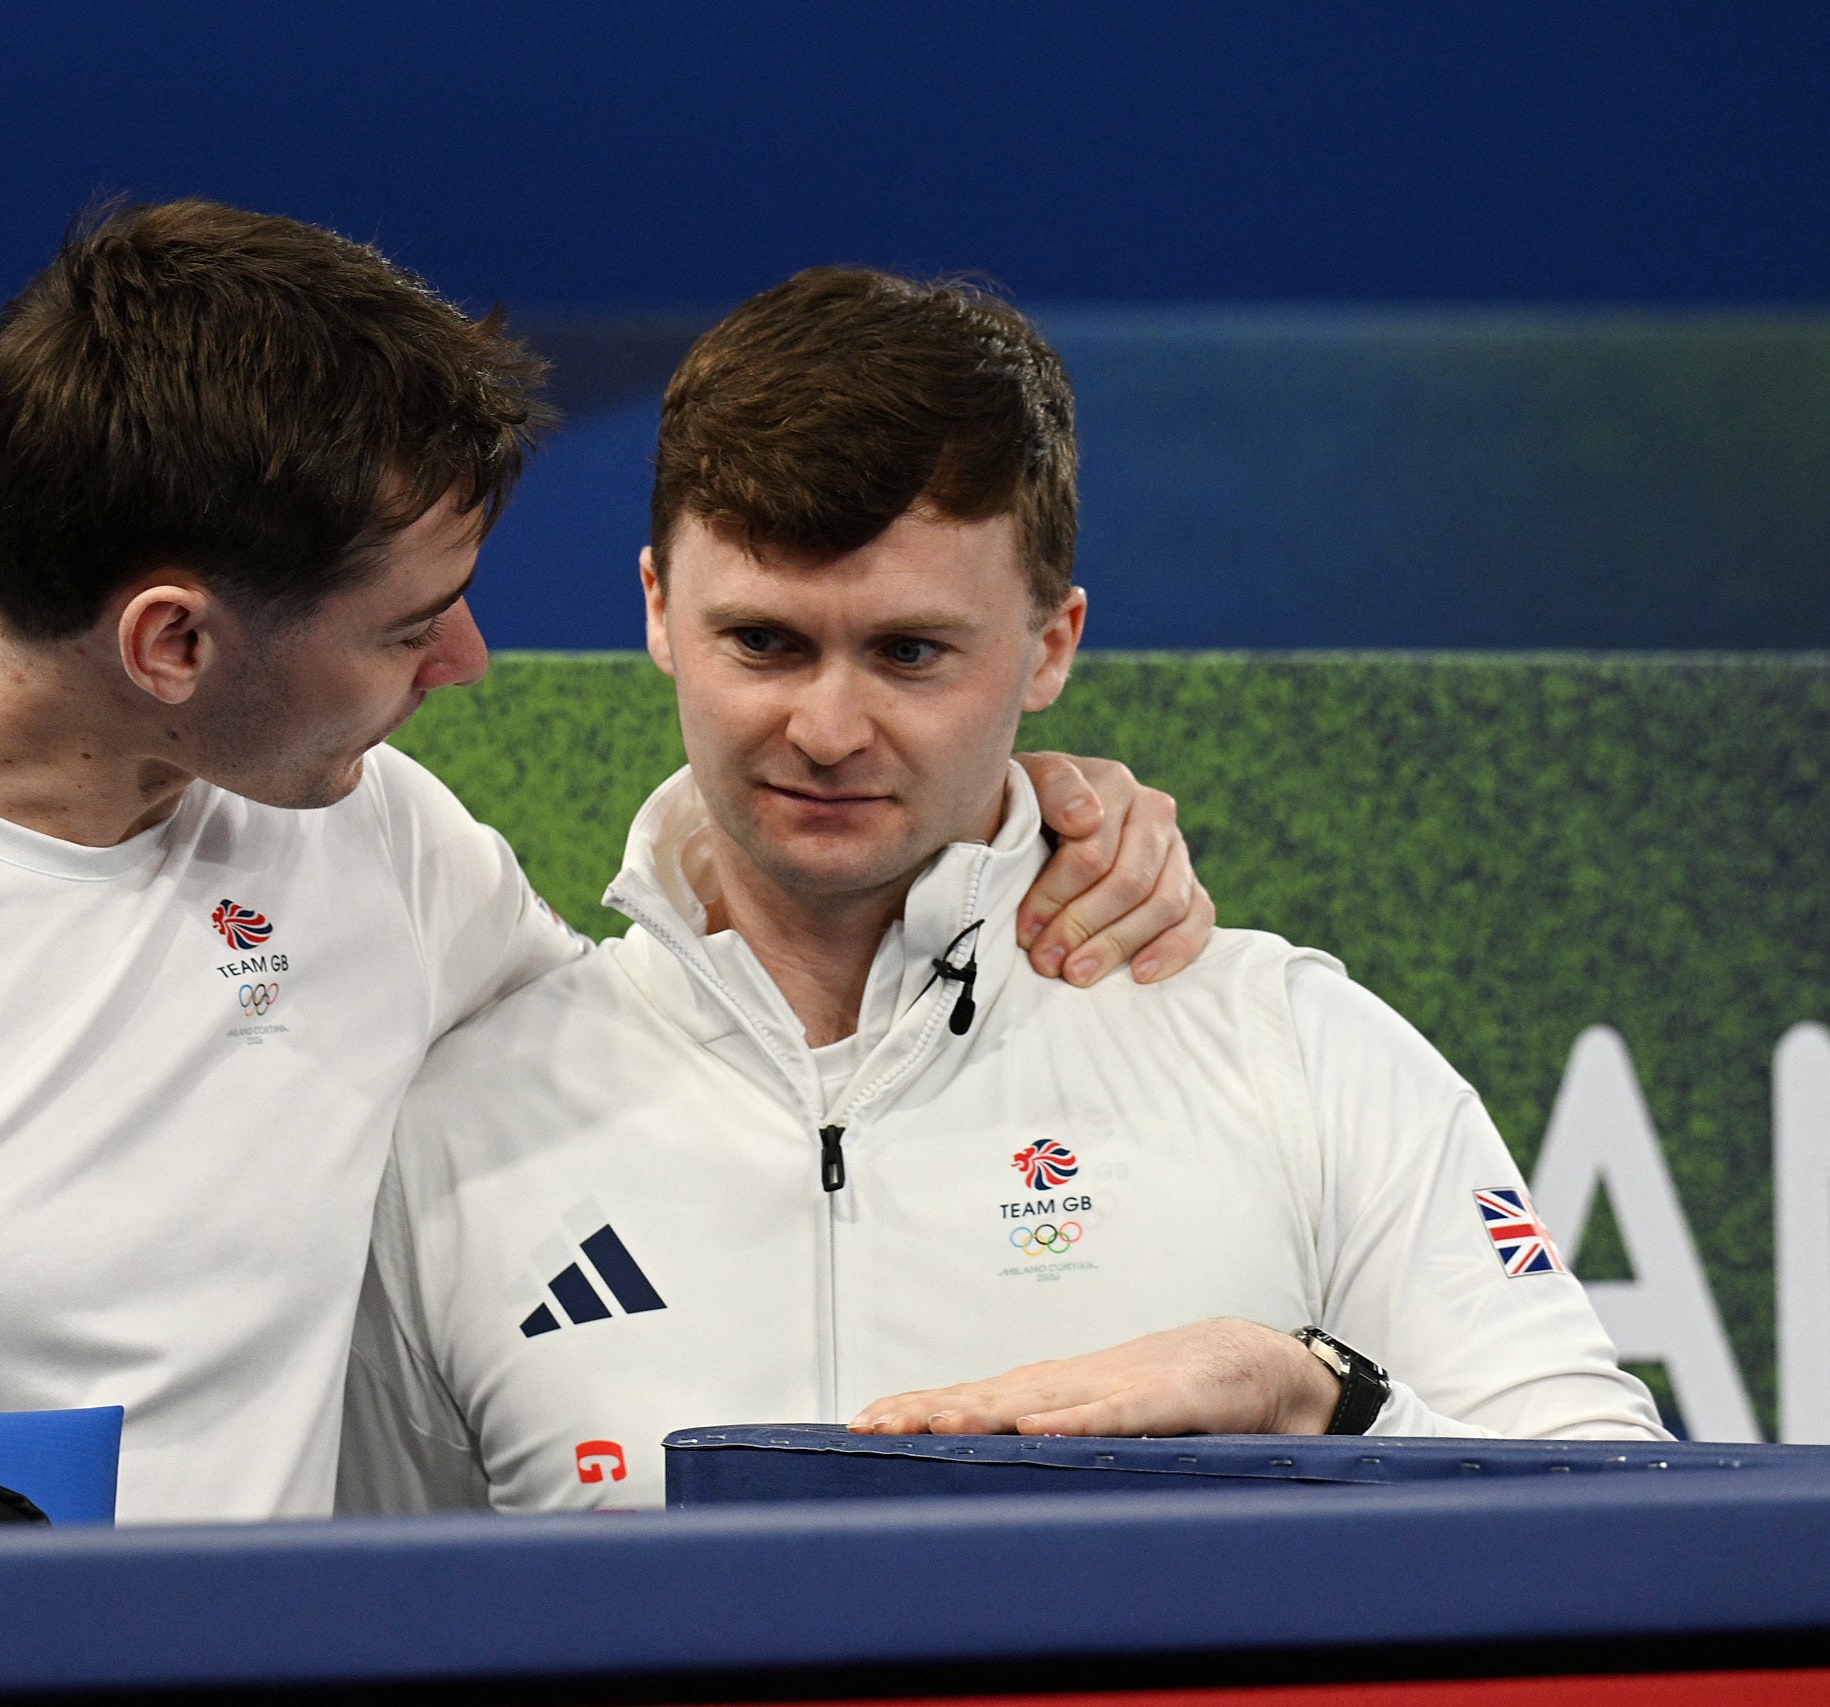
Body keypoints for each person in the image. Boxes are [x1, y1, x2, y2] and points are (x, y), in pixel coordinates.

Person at [0, 205, 1214, 1524]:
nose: (461, 668)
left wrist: (1036, 820)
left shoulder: (386, 854)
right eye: (408, 629)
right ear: (173, 646)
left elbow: (727, 1054)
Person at [336, 266, 1664, 1516]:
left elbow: (1626, 1527)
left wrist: (1326, 1399)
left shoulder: (1291, 1051)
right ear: (657, 610)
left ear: (1052, 646)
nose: (830, 727)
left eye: (911, 652)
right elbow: (384, 1636)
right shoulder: (462, 1133)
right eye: (765, 642)